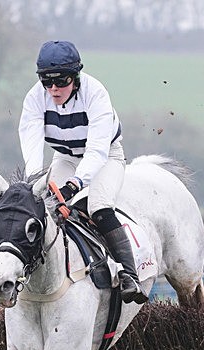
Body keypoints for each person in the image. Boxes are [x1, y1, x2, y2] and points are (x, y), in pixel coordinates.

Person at [18, 40, 148, 304]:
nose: (53, 89)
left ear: (75, 77)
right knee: (44, 208)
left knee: (99, 207)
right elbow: (31, 142)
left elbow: (97, 150)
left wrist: (75, 185)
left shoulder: (95, 93)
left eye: (61, 81)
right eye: (46, 81)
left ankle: (129, 274)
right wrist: (36, 183)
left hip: (105, 157)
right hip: (65, 156)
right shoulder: (35, 97)